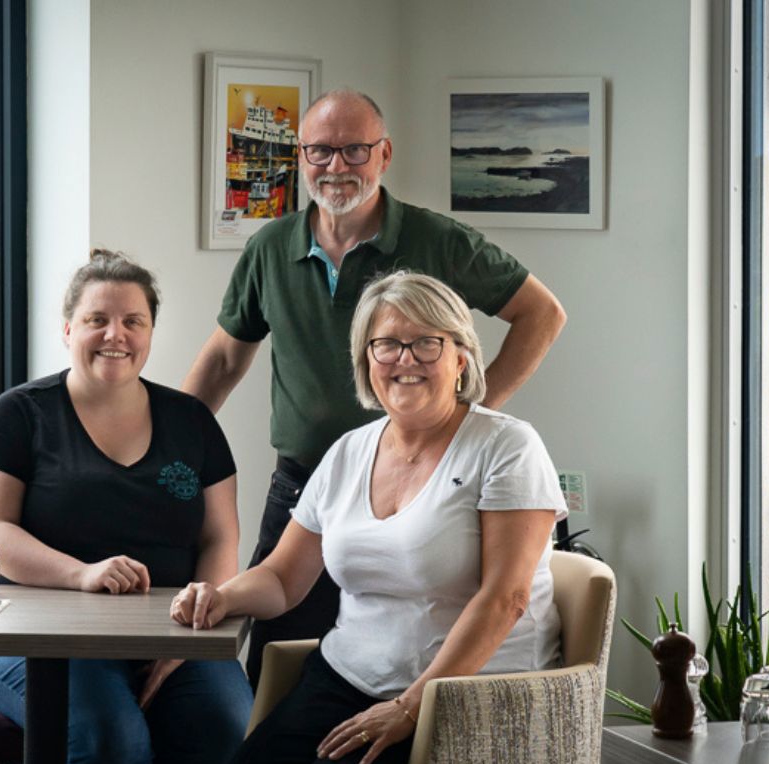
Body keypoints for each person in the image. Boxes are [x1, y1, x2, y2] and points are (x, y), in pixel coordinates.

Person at [182, 88, 567, 685]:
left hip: (424, 490)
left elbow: (543, 313)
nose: (336, 166)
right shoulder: (269, 247)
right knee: (270, 668)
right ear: (301, 158)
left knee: (397, 650)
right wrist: (171, 455)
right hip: (309, 486)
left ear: (384, 155)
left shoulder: (438, 240)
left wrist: (470, 415)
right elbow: (224, 362)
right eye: (321, 151)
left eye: (354, 150)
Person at [171, 272, 567, 764]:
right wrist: (222, 598)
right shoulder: (348, 451)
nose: (405, 359)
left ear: (460, 358)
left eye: (426, 343)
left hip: (463, 692)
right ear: (366, 360)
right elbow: (283, 578)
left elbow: (506, 598)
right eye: (386, 344)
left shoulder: (507, 447)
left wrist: (410, 706)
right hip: (346, 677)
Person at [0, 250, 252, 764]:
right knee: (109, 738)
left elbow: (219, 537)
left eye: (132, 321)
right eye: (97, 319)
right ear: (69, 328)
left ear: (149, 332)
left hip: (171, 635)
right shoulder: (18, 414)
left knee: (224, 725)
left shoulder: (192, 422)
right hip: (39, 639)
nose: (114, 334)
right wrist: (82, 573)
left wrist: (188, 638)